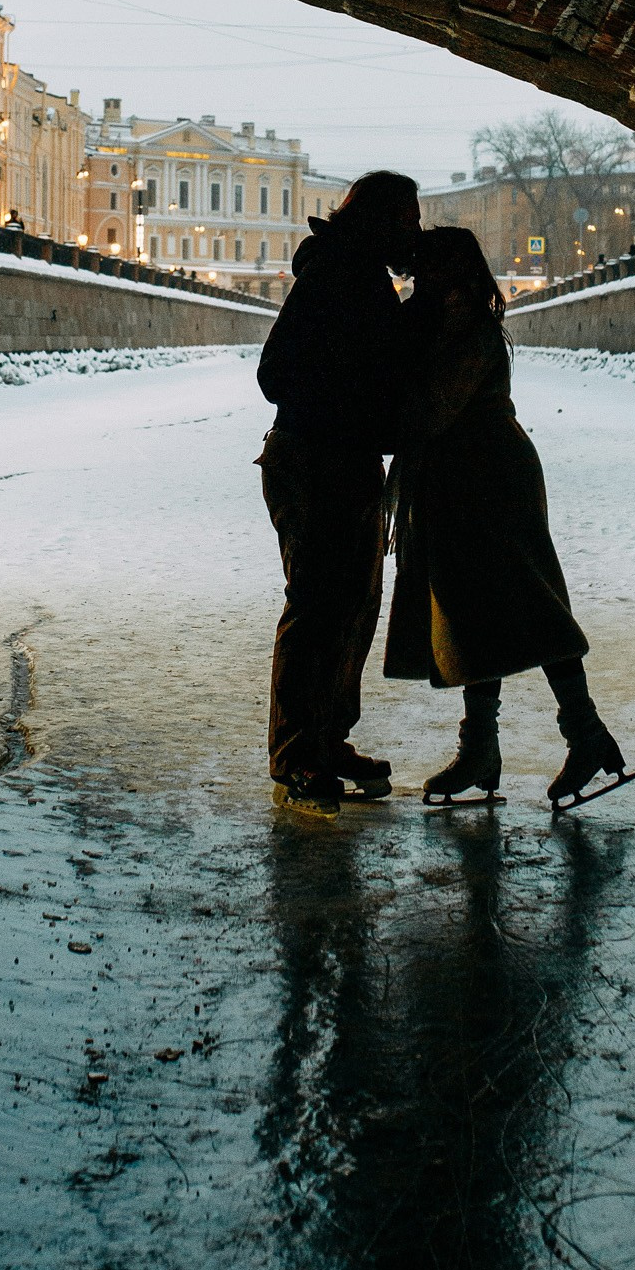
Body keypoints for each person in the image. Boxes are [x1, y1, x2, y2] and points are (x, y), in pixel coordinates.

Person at [382, 226, 631, 811]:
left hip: (490, 479)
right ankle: (483, 751)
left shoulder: (465, 328)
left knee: (530, 602)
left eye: (425, 272)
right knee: (473, 616)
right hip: (457, 479)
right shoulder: (446, 321)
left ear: (452, 273)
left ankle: (584, 734)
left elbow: (429, 409)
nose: (415, 282)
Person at [256, 170, 422, 811]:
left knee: (352, 609)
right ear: (378, 219)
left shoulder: (365, 278)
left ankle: (326, 738)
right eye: (406, 217)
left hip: (346, 464)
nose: (413, 229)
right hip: (312, 462)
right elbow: (275, 375)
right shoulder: (333, 276)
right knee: (319, 608)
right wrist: (354, 409)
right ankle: (297, 753)